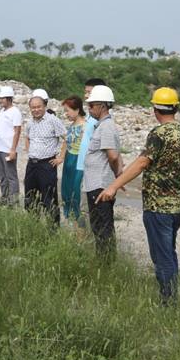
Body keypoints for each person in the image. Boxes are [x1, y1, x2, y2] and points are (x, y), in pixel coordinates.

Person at [98, 87, 180, 305]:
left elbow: (142, 163)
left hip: (157, 206)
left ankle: (168, 302)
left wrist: (113, 186)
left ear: (155, 110)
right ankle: (171, 295)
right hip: (176, 206)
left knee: (162, 257)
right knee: (169, 252)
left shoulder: (158, 134)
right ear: (175, 108)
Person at [82, 85, 122, 255]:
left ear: (103, 106)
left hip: (100, 185)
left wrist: (117, 176)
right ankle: (103, 259)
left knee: (102, 227)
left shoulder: (106, 126)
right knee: (98, 226)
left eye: (92, 105)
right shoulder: (102, 125)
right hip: (96, 184)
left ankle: (106, 261)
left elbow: (113, 155)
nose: (89, 108)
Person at [24, 89, 67, 226]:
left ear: (44, 106)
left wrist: (61, 157)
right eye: (33, 107)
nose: (36, 110)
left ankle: (53, 228)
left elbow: (67, 138)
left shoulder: (53, 120)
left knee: (49, 197)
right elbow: (27, 137)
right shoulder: (30, 122)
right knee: (30, 196)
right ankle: (33, 225)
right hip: (32, 164)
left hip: (47, 165)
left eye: (39, 107)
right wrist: (30, 151)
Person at [76, 78, 108, 224]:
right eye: (85, 92)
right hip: (84, 166)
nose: (86, 95)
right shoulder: (91, 115)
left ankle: (88, 235)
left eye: (89, 92)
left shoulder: (100, 119)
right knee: (83, 206)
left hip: (94, 172)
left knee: (90, 210)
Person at [58, 96, 86, 225]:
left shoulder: (85, 126)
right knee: (66, 188)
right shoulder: (72, 125)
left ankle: (78, 218)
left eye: (67, 110)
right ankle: (68, 216)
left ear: (77, 109)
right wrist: (61, 157)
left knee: (76, 188)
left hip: (79, 160)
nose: (66, 114)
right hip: (69, 159)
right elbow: (66, 142)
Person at [0, 85, 22, 205]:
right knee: (2, 175)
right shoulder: (2, 111)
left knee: (11, 176)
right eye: (0, 98)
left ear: (9, 98)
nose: (0, 100)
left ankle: (13, 200)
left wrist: (13, 149)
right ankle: (4, 197)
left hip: (8, 149)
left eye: (2, 98)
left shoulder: (15, 112)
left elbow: (17, 131)